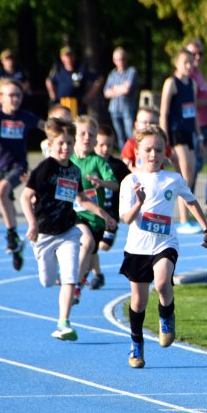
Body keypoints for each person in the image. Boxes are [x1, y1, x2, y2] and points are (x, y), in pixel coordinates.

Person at [119, 124, 207, 368]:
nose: (153, 155)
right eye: (148, 150)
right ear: (137, 152)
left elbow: (191, 202)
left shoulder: (173, 179)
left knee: (162, 282)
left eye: (158, 150)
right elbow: (126, 219)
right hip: (138, 248)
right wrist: (139, 202)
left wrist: (206, 228)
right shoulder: (130, 181)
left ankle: (166, 315)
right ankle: (136, 346)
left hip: (165, 244)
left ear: (165, 152)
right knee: (138, 302)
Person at [19, 117, 116, 341]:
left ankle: (63, 322)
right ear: (51, 145)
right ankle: (50, 273)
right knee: (47, 280)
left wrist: (104, 214)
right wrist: (32, 223)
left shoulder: (73, 171)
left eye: (69, 143)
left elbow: (81, 199)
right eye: (61, 143)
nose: (65, 147)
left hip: (68, 232)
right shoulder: (45, 169)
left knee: (70, 277)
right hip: (44, 233)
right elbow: (26, 197)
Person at [0, 78, 44, 271]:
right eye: (11, 95)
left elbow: (45, 126)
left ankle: (11, 233)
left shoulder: (24, 116)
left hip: (18, 166)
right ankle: (15, 247)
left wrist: (61, 130)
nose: (15, 99)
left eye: (18, 95)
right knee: (5, 199)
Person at [71, 115, 119, 303]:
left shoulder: (98, 162)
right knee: (88, 242)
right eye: (82, 133)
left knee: (91, 253)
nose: (86, 138)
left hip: (96, 219)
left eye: (91, 135)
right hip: (74, 215)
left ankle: (80, 281)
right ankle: (74, 283)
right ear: (75, 136)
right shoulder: (68, 160)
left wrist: (101, 182)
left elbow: (114, 185)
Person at [159, 48, 203, 234]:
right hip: (175, 133)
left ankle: (186, 216)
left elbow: (194, 113)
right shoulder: (171, 83)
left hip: (188, 132)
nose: (189, 66)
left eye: (191, 62)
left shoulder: (192, 84)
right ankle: (183, 219)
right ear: (176, 63)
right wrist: (164, 139)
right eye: (185, 62)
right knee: (184, 174)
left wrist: (199, 136)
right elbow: (164, 112)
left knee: (190, 173)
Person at [87, 124, 131, 290]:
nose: (105, 149)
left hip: (111, 215)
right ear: (94, 144)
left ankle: (94, 272)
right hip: (92, 214)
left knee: (102, 246)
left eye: (109, 145)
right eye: (101, 145)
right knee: (90, 245)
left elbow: (131, 180)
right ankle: (97, 275)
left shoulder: (118, 167)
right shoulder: (88, 163)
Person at [185, 40, 207, 201]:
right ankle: (187, 204)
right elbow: (187, 103)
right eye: (193, 54)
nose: (197, 57)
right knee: (192, 167)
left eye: (200, 53)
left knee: (198, 166)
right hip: (195, 126)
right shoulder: (188, 75)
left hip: (205, 124)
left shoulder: (198, 73)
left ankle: (194, 203)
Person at [45, 46, 103, 114]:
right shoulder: (57, 70)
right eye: (66, 56)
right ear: (62, 57)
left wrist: (88, 96)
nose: (68, 58)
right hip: (61, 103)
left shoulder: (81, 70)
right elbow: (49, 80)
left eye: (70, 55)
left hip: (77, 104)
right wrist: (53, 96)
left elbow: (99, 79)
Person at [103, 47, 138, 150]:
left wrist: (114, 89)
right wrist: (120, 88)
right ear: (114, 61)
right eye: (118, 59)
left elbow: (127, 89)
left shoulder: (131, 71)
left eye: (122, 59)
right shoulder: (112, 74)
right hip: (114, 109)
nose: (120, 62)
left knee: (130, 136)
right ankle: (124, 158)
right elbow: (106, 93)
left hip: (127, 109)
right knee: (120, 138)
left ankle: (133, 157)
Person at [121, 107, 173, 171]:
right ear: (136, 125)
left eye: (152, 123)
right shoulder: (131, 144)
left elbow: (173, 159)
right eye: (144, 122)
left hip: (158, 178)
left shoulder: (161, 143)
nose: (148, 125)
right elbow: (125, 165)